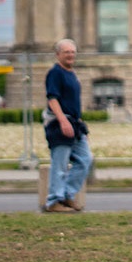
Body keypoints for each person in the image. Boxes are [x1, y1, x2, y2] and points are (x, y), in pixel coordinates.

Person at [42, 39, 93, 213]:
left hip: (74, 125)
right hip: (60, 124)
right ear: (58, 55)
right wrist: (62, 120)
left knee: (85, 160)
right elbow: (52, 98)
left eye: (72, 52)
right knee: (60, 164)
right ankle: (54, 201)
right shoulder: (55, 73)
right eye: (66, 52)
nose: (70, 55)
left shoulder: (71, 73)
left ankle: (66, 195)